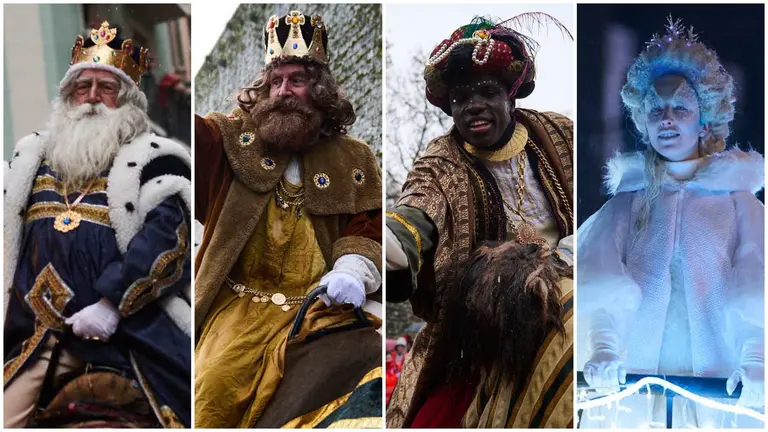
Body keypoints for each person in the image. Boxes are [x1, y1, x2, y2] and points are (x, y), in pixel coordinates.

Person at [194, 10, 383, 428]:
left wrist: (354, 267)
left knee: (366, 371)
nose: (283, 91)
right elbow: (189, 144)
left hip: (318, 305)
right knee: (210, 389)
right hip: (237, 308)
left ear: (319, 91)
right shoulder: (228, 140)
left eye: (296, 80)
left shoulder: (355, 158)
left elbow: (367, 224)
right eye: (275, 81)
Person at [386, 15, 574, 428]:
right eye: (460, 98)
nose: (473, 106)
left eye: (487, 92)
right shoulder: (439, 161)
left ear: (511, 95)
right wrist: (388, 241)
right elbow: (416, 212)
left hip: (577, 292)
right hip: (486, 327)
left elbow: (604, 200)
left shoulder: (559, 135)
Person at [577, 16, 764, 428]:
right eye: (655, 109)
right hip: (636, 389)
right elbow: (598, 275)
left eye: (680, 107)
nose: (666, 118)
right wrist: (604, 348)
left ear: (704, 118)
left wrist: (755, 355)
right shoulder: (628, 203)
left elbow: (756, 277)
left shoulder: (738, 202)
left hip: (719, 389)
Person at [4, 21, 192, 428]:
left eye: (106, 88)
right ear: (66, 98)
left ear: (128, 101)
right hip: (33, 340)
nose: (91, 98)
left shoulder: (156, 161)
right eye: (81, 87)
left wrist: (110, 305)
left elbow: (169, 241)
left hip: (126, 336)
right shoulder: (29, 163)